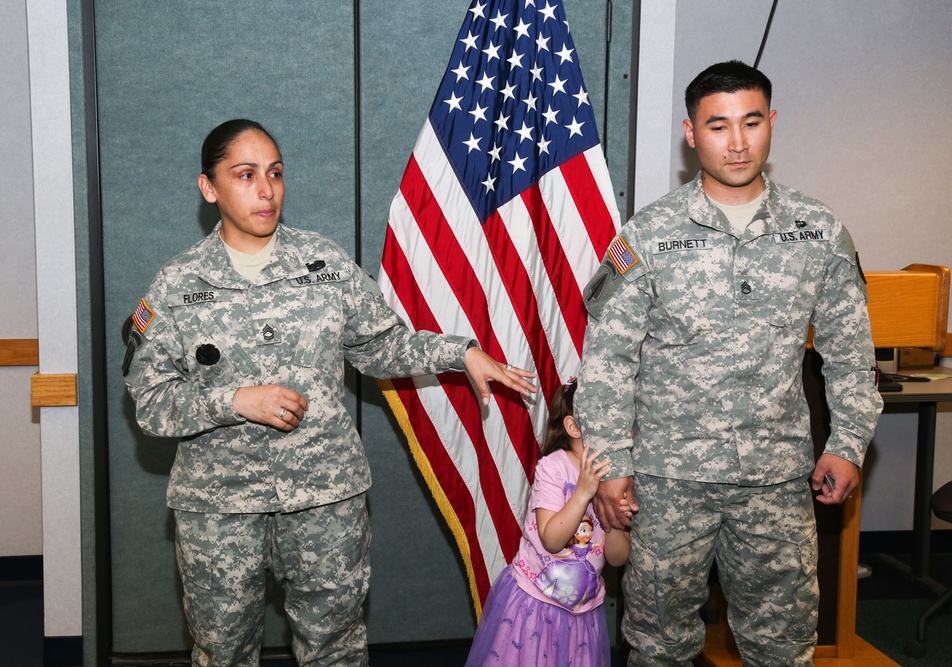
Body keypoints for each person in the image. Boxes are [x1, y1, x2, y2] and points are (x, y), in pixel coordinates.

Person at [121, 118, 536, 667]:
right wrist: (233, 401)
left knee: (335, 650)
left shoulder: (324, 264)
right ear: (209, 187)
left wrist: (461, 353)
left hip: (326, 498)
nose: (266, 191)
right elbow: (149, 402)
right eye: (245, 175)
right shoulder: (177, 284)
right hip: (219, 509)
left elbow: (384, 348)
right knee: (222, 653)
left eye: (275, 173)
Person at [573, 60, 883, 666]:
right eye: (718, 126)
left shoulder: (818, 231)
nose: (737, 142)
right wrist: (609, 464)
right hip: (667, 483)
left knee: (783, 645)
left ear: (772, 123)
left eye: (751, 122)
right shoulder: (648, 234)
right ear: (692, 134)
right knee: (658, 644)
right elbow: (608, 360)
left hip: (775, 479)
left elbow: (851, 353)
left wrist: (848, 443)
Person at [466, 380, 631, 667]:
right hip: (535, 607)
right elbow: (552, 540)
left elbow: (618, 558)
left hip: (583, 615)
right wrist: (582, 493)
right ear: (574, 427)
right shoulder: (554, 467)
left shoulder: (618, 477)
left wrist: (615, 519)